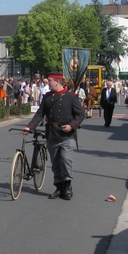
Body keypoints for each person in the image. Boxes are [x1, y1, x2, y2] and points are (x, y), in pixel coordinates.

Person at [25, 71, 85, 200]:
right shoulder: (47, 97)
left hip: (66, 135)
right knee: (56, 163)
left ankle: (67, 186)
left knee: (66, 160)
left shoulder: (71, 97)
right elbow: (40, 114)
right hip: (52, 134)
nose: (48, 83)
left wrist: (72, 126)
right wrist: (30, 127)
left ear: (57, 82)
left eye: (49, 80)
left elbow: (80, 114)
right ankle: (59, 187)